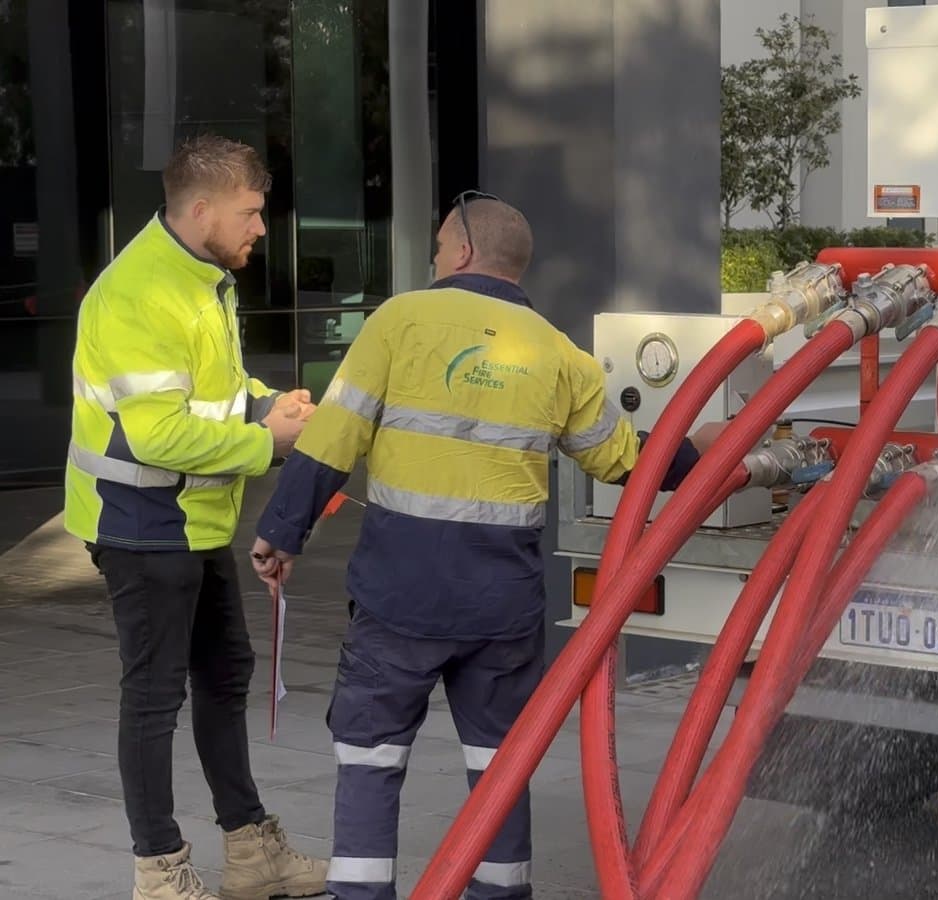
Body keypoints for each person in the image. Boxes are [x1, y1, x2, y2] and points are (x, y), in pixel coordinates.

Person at [248, 193, 724, 900]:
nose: (436, 257)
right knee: (501, 766)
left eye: (440, 246)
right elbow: (626, 461)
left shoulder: (398, 321)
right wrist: (704, 452)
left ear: (464, 251)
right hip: (501, 606)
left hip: (398, 598)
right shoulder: (558, 354)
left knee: (370, 759)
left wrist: (281, 534)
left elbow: (331, 441)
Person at [63, 134, 330, 900]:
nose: (262, 228)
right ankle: (159, 871)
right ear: (203, 209)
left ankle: (250, 852)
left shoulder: (204, 277)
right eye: (251, 212)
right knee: (154, 696)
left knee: (224, 673)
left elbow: (212, 390)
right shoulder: (141, 292)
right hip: (140, 524)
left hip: (191, 520)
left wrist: (266, 404)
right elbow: (157, 436)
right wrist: (269, 442)